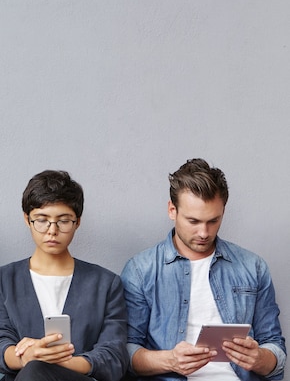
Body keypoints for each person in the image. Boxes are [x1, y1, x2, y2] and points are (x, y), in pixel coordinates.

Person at [121, 158, 286, 381]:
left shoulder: (252, 266)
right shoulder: (141, 270)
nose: (203, 232)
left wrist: (260, 359)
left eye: (213, 220)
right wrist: (170, 360)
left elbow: (275, 347)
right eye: (193, 221)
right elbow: (126, 354)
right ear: (172, 210)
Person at [0, 170, 129, 381]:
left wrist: (57, 362)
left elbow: (114, 357)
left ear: (77, 222)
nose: (52, 231)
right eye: (41, 220)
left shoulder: (106, 284)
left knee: (35, 369)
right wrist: (26, 357)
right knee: (32, 371)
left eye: (63, 221)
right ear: (27, 219)